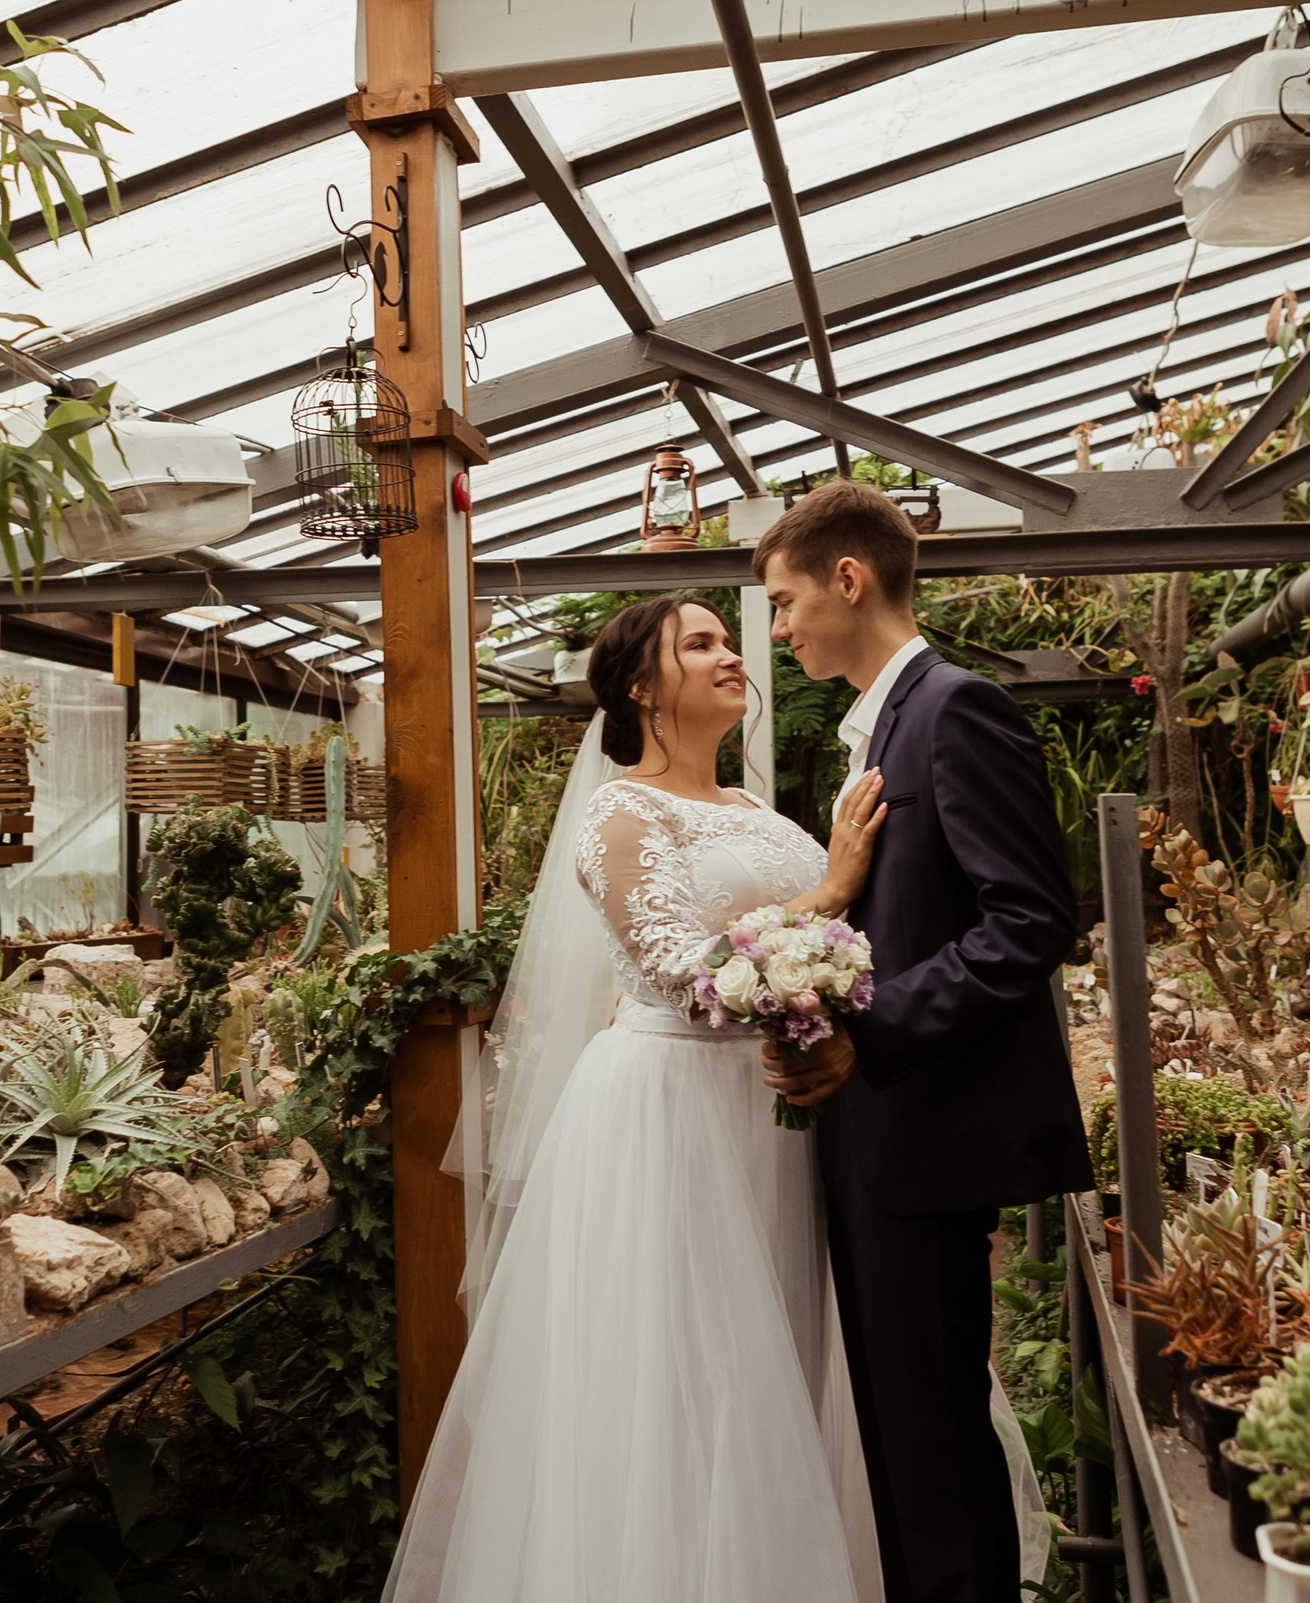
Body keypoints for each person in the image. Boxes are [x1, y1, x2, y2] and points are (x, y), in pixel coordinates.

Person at [384, 593, 1045, 1602]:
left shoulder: (759, 812)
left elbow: (839, 957)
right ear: (643, 687)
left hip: (779, 1122)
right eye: (702, 645)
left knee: (785, 1356)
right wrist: (828, 891)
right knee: (688, 1379)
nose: (733, 655)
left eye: (731, 639)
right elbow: (676, 977)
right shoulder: (620, 811)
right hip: (669, 1121)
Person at [754, 480, 1095, 1603]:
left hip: (924, 1135)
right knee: (903, 1440)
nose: (779, 626)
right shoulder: (883, 728)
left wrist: (868, 1027)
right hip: (877, 1131)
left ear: (848, 579)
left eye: (783, 599)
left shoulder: (954, 709)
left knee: (932, 1447)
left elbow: (1031, 921)